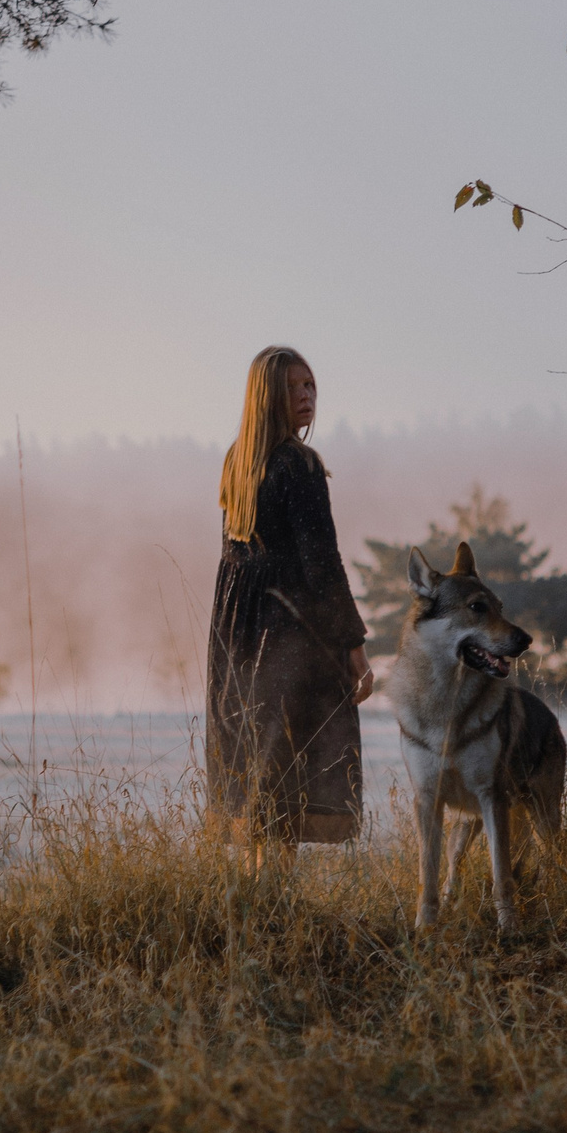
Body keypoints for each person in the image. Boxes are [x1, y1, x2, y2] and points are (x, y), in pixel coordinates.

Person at [207, 346, 374, 858]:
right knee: (287, 768)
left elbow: (234, 559)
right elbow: (322, 563)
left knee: (257, 763)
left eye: (310, 385)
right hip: (288, 633)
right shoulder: (299, 464)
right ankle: (275, 895)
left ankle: (256, 894)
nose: (307, 397)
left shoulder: (238, 462)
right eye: (293, 387)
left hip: (236, 631)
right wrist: (353, 646)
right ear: (267, 397)